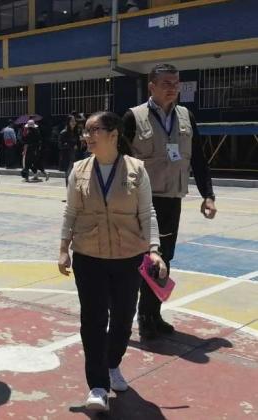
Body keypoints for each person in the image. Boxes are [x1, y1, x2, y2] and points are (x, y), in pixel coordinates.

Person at [58, 111, 166, 413]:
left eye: (94, 130)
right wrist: (63, 248)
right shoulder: (78, 170)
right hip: (88, 257)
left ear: (114, 135)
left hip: (127, 257)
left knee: (122, 319)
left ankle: (112, 363)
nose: (87, 136)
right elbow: (70, 212)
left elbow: (147, 212)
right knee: (93, 320)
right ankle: (97, 386)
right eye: (85, 131)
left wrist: (154, 249)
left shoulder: (136, 170)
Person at [123, 63, 217, 339]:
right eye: (166, 83)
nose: (172, 88)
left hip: (171, 200)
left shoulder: (186, 116)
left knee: (164, 258)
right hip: (141, 201)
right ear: (151, 86)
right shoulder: (133, 117)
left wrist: (208, 195)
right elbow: (118, 160)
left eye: (176, 83)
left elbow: (198, 158)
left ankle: (153, 314)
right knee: (140, 259)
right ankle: (138, 316)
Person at [59, 115, 80, 187]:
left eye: (74, 121)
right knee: (68, 175)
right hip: (67, 157)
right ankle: (69, 190)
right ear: (68, 122)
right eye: (72, 121)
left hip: (75, 156)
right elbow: (60, 145)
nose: (74, 122)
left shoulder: (75, 132)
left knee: (74, 175)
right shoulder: (63, 132)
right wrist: (71, 145)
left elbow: (78, 143)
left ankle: (72, 191)